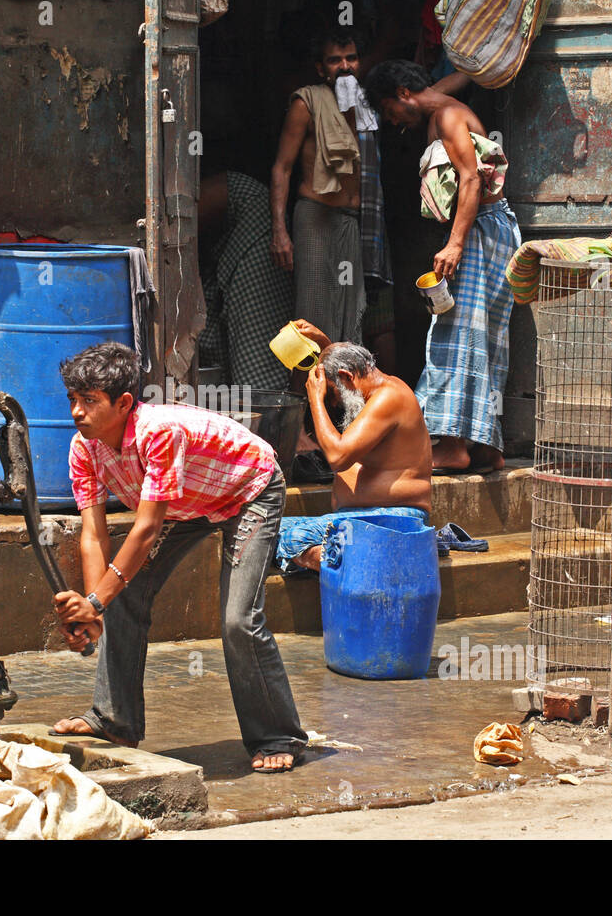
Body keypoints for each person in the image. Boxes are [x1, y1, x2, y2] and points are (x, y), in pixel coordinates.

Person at [49, 342, 307, 772]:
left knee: (239, 620)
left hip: (250, 490)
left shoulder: (158, 433)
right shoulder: (84, 448)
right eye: (73, 400)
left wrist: (94, 602)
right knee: (121, 594)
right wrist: (96, 608)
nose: (77, 411)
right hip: (189, 502)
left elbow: (147, 528)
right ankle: (114, 719)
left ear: (124, 403)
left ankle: (278, 735)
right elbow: (94, 536)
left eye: (90, 401)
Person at [362, 59, 520, 474]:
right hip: (492, 230)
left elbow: (470, 178)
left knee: (454, 330)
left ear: (401, 95)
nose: (392, 121)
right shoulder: (438, 104)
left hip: (481, 231)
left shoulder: (448, 116)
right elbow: (450, 80)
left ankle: (451, 445)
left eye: (388, 109)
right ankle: (484, 445)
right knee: (485, 337)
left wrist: (454, 244)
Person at [275, 320, 433, 573]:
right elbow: (343, 372)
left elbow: (338, 457)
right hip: (359, 518)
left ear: (347, 377)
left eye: (334, 394)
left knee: (294, 537)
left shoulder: (388, 398)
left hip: (393, 518)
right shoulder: (368, 391)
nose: (335, 403)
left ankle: (356, 566)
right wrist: (324, 344)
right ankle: (345, 556)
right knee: (269, 527)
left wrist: (315, 399)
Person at [270, 28, 370, 346]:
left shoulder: (367, 105)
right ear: (320, 68)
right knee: (311, 320)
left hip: (351, 221)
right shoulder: (307, 103)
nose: (344, 66)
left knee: (351, 315)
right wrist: (279, 231)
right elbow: (282, 168)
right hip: (315, 218)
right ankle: (304, 394)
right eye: (334, 60)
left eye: (351, 58)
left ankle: (340, 395)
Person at [197, 170, 294, 391]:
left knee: (255, 334)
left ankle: (262, 403)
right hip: (216, 251)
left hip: (255, 224)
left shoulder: (246, 200)